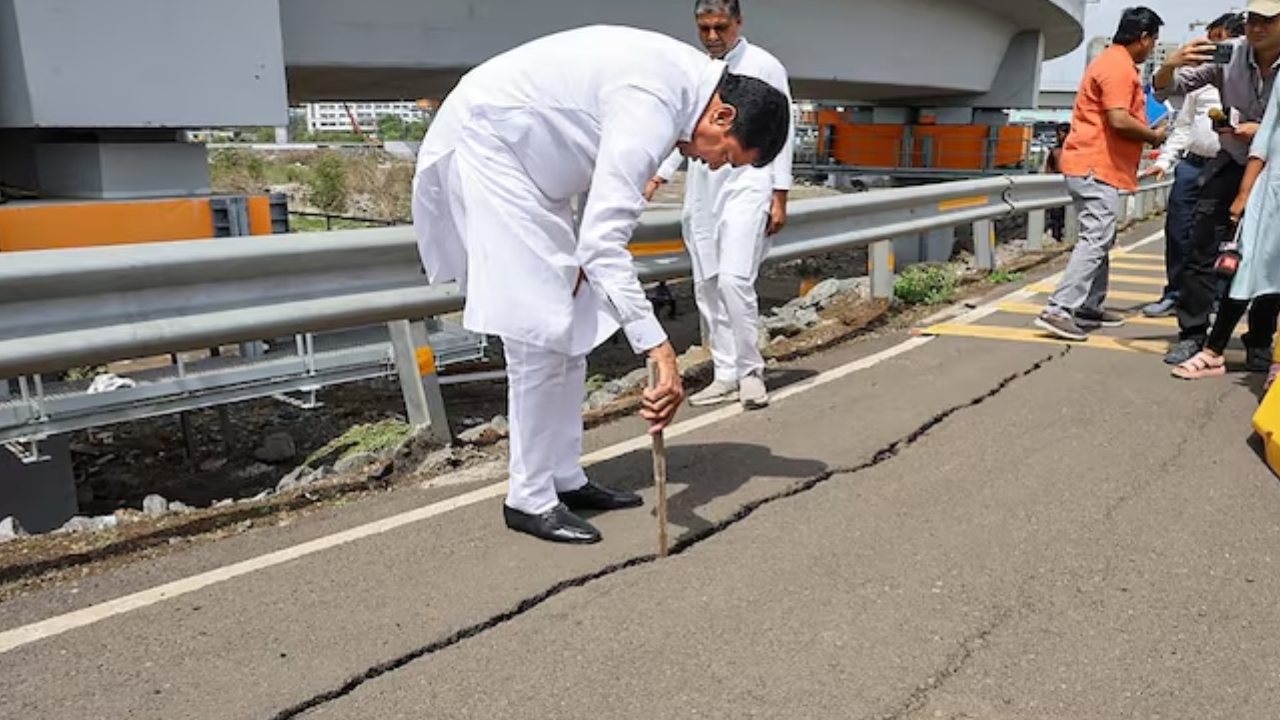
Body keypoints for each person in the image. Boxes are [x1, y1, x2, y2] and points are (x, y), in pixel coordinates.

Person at [411, 25, 791, 545]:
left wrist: (590, 269)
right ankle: (528, 497)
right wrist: (660, 350)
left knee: (573, 322)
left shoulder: (682, 90)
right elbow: (602, 241)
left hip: (538, 167)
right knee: (540, 333)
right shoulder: (654, 105)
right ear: (723, 116)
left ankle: (564, 476)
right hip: (490, 147)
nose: (712, 164)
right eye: (726, 155)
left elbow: (604, 206)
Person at [644, 0, 794, 409]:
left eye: (720, 27)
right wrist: (658, 175)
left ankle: (750, 373)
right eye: (705, 28)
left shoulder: (766, 66)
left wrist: (779, 194)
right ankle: (724, 372)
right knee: (707, 284)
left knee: (733, 280)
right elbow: (683, 128)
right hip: (703, 184)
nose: (713, 36)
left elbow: (783, 129)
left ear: (738, 23)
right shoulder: (696, 71)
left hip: (750, 179)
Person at [1153, 0, 1280, 369]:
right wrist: (1169, 65)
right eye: (1252, 20)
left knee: (1269, 256)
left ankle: (1259, 339)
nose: (1257, 28)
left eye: (1267, 21)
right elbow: (1170, 88)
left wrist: (1263, 131)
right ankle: (1193, 335)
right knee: (1202, 247)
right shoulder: (1232, 54)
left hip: (1274, 169)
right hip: (1231, 161)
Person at [1035, 7, 1169, 341]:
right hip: (1096, 165)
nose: (1152, 47)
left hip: (1092, 164)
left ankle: (1089, 305)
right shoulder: (1119, 68)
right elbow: (1119, 120)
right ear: (1143, 38)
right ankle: (1059, 309)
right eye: (1153, 41)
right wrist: (1154, 136)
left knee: (1100, 236)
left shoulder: (1113, 62)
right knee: (1096, 237)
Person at [1140, 12, 1245, 318]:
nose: (1212, 51)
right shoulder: (1199, 79)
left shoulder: (1252, 81)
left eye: (1219, 42)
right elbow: (1181, 126)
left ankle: (1215, 302)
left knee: (1222, 241)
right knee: (1178, 233)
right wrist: (1164, 161)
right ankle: (1175, 293)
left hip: (1229, 167)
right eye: (1209, 44)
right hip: (1192, 166)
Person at [1043, 123, 1070, 242]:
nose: (1059, 137)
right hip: (1057, 185)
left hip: (1071, 184)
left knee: (1068, 213)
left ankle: (1067, 234)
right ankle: (1057, 236)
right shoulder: (1054, 151)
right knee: (1056, 213)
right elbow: (1049, 169)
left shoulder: (1077, 150)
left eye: (1061, 134)